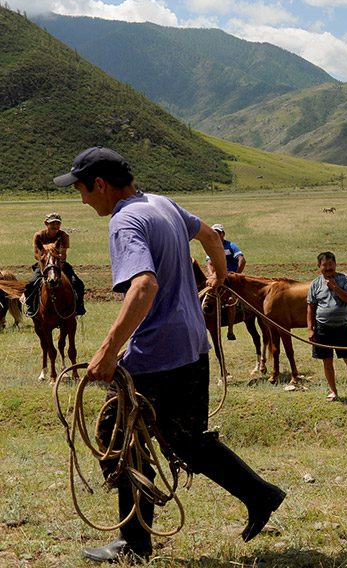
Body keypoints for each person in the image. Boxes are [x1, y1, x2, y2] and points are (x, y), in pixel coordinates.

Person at [53, 146, 285, 562]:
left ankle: (133, 543)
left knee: (115, 434)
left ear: (101, 185)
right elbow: (212, 238)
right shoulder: (162, 204)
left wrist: (108, 350)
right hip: (194, 345)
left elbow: (143, 287)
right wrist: (221, 273)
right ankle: (260, 494)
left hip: (156, 353)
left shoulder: (125, 222)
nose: (83, 199)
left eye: (83, 190)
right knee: (187, 440)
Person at [306, 251, 347, 403]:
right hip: (323, 329)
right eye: (325, 265)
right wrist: (310, 329)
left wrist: (335, 287)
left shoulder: (344, 279)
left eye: (331, 264)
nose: (328, 268)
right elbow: (311, 307)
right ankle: (333, 391)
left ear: (336, 265)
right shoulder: (315, 284)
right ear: (319, 267)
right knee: (327, 361)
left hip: (341, 328)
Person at [23, 212, 86, 317]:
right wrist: (46, 259)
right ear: (46, 223)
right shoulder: (39, 236)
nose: (55, 226)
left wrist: (55, 258)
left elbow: (63, 256)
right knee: (31, 285)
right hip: (44, 265)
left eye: (57, 224)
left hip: (60, 265)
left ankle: (79, 306)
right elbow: (36, 254)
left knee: (78, 283)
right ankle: (31, 308)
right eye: (52, 223)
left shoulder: (63, 236)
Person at [206, 223, 246, 340]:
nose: (216, 235)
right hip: (218, 278)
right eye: (214, 233)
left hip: (230, 279)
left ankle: (230, 330)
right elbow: (209, 263)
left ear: (223, 234)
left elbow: (242, 260)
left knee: (231, 300)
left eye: (218, 233)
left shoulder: (231, 245)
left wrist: (236, 274)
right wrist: (211, 275)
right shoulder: (211, 246)